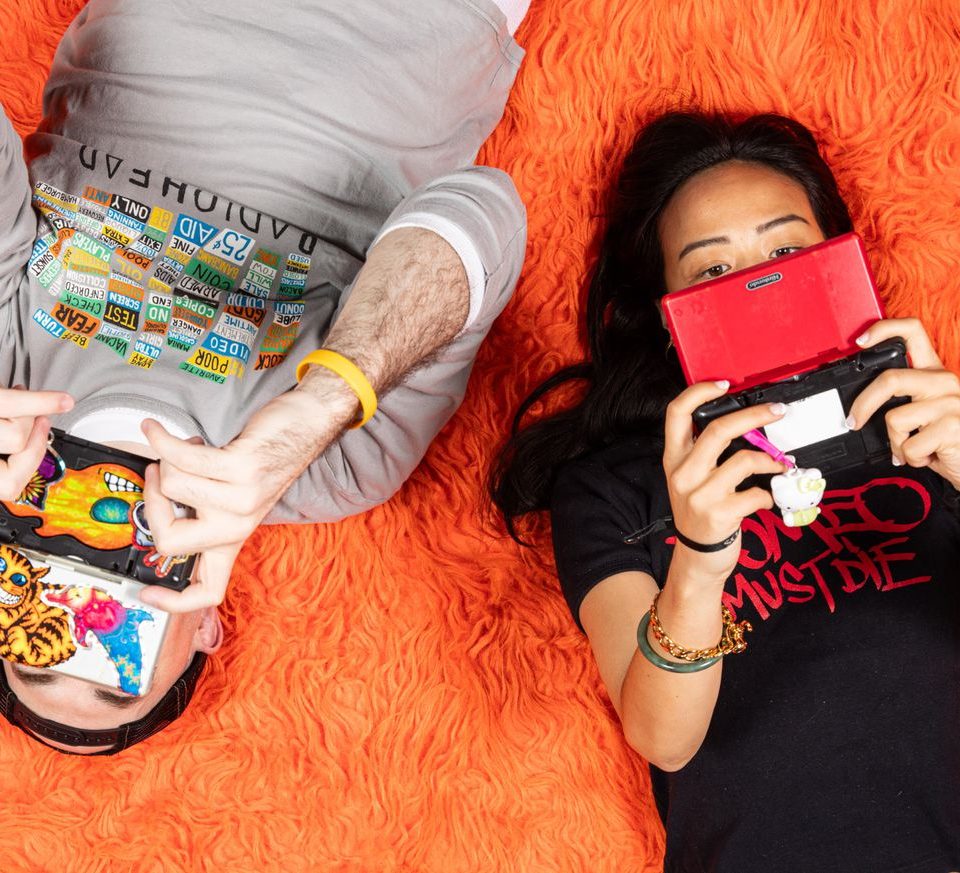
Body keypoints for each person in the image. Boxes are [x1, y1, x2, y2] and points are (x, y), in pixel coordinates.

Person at [0, 0, 530, 753]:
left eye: (38, 648)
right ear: (205, 629)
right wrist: (324, 403)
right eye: (116, 670)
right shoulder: (334, 472)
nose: (85, 610)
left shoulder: (9, 376)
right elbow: (485, 210)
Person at [491, 112, 960, 871]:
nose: (757, 287)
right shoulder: (612, 486)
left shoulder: (932, 424)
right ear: (665, 313)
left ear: (843, 257)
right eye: (712, 271)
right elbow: (664, 738)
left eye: (786, 251)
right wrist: (700, 561)